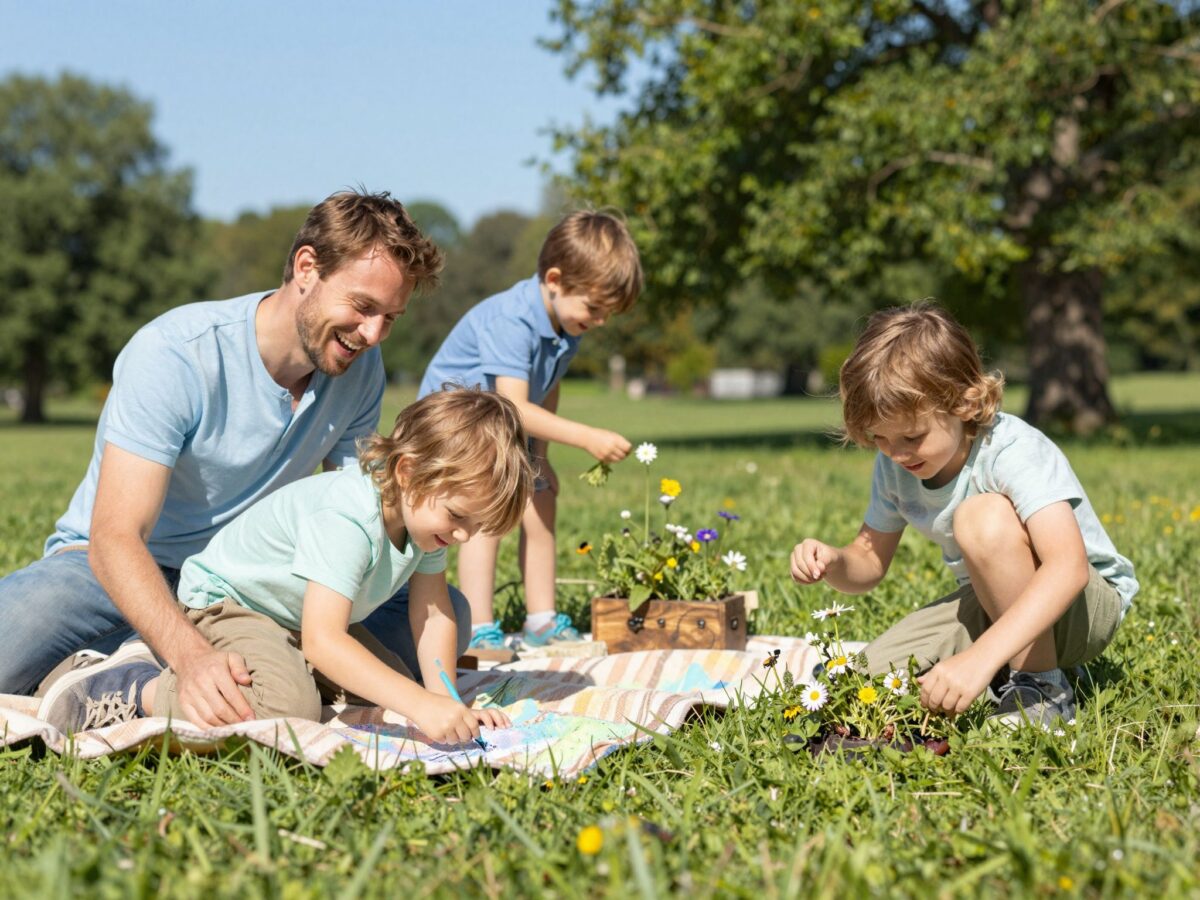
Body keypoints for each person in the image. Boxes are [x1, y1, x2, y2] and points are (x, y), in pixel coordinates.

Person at [0, 190, 444, 728]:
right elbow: (115, 538)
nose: (373, 335)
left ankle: (154, 654)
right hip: (117, 572)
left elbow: (363, 513)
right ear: (307, 267)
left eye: (389, 318)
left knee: (443, 616)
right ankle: (134, 666)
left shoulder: (359, 372)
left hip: (251, 584)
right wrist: (191, 658)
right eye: (362, 307)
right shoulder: (175, 354)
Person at [40, 389, 529, 741]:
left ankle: (281, 668)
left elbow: (433, 613)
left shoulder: (426, 515)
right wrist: (421, 705)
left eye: (474, 525)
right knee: (287, 705)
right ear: (408, 472)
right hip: (229, 604)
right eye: (458, 518)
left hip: (294, 617)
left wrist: (443, 697)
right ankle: (128, 687)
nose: (463, 535)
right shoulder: (349, 516)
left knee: (389, 692)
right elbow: (325, 639)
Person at [789, 302, 1137, 728]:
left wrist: (979, 660)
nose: (896, 453)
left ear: (964, 403)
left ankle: (1041, 687)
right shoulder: (896, 464)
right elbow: (868, 564)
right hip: (995, 600)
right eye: (879, 437)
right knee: (857, 684)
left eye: (912, 436)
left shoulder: (1010, 451)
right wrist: (833, 561)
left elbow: (1069, 568)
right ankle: (1014, 668)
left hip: (1082, 608)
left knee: (981, 517)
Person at [418, 210, 642, 649]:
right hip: (454, 428)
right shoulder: (513, 319)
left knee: (541, 505)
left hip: (500, 429)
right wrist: (587, 437)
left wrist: (542, 458)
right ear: (555, 279)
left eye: (607, 313)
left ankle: (542, 620)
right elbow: (515, 406)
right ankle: (479, 628)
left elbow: (547, 386)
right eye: (594, 308)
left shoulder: (566, 323)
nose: (599, 321)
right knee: (485, 516)